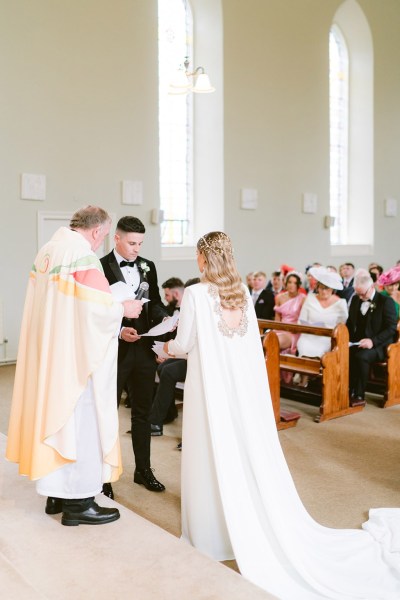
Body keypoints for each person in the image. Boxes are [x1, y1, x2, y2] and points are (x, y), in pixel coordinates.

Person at [163, 231, 400, 600]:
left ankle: (211, 533)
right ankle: (237, 518)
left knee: (209, 448)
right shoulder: (240, 290)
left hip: (208, 388)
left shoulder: (195, 293)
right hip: (237, 389)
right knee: (235, 448)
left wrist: (165, 346)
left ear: (203, 258)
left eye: (197, 255)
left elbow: (185, 343)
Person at [6, 206, 143, 526]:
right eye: (105, 236)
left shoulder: (49, 250)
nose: (101, 242)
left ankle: (57, 494)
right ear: (97, 231)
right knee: (81, 424)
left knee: (59, 422)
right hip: (75, 360)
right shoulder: (81, 255)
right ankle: (79, 503)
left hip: (52, 353)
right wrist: (124, 307)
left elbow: (68, 303)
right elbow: (93, 309)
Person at [101, 216, 167, 493]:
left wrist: (166, 324)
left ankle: (143, 470)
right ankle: (104, 477)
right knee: (107, 413)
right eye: (131, 243)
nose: (136, 249)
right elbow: (96, 310)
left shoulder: (147, 266)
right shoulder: (99, 267)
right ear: (116, 238)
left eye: (140, 243)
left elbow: (156, 305)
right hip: (113, 351)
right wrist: (118, 331)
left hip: (142, 350)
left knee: (142, 412)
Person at [150, 277, 200, 436]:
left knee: (168, 371)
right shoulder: (186, 309)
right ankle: (167, 413)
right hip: (189, 355)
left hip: (199, 360)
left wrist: (170, 350)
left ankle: (155, 422)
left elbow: (189, 343)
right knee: (163, 367)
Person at [347, 269, 398, 407]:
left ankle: (359, 394)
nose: (360, 297)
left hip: (380, 345)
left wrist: (372, 341)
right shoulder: (356, 299)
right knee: (344, 353)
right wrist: (345, 339)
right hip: (358, 341)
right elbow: (350, 323)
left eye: (362, 294)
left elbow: (391, 328)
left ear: (371, 288)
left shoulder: (385, 301)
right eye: (357, 294)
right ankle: (346, 390)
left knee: (362, 356)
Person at [297, 266, 348, 359]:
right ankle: (304, 372)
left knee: (321, 351)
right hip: (308, 336)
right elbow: (301, 320)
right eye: (321, 288)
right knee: (303, 347)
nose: (324, 291)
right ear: (317, 287)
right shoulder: (310, 299)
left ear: (332, 289)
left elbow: (342, 326)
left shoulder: (340, 303)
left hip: (328, 338)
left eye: (327, 288)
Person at [273, 272, 305, 352]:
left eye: (295, 283)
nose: (291, 285)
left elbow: (303, 319)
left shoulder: (303, 298)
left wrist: (295, 328)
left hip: (294, 331)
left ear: (298, 285)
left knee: (275, 341)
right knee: (265, 339)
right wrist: (277, 329)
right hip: (280, 328)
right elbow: (277, 319)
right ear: (286, 283)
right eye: (290, 282)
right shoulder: (280, 297)